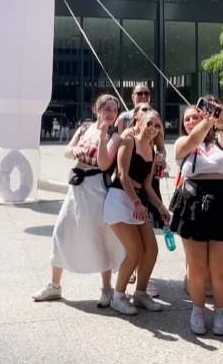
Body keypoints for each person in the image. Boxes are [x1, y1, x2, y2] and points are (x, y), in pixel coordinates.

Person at [32, 95, 125, 308]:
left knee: (100, 236)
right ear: (97, 109)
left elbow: (104, 164)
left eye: (115, 110)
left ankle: (106, 288)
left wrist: (103, 138)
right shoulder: (84, 127)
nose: (111, 113)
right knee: (62, 231)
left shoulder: (114, 135)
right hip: (77, 186)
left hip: (97, 187)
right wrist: (73, 150)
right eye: (107, 109)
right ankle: (55, 285)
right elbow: (67, 151)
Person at [170, 105, 223, 336]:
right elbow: (193, 141)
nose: (193, 120)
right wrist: (205, 122)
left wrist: (219, 122)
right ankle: (197, 310)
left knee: (220, 268)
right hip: (193, 202)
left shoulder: (221, 142)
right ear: (183, 124)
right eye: (188, 118)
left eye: (197, 116)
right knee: (196, 266)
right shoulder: (182, 144)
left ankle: (221, 310)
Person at [104, 110, 171, 315]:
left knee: (151, 250)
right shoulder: (129, 142)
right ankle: (118, 297)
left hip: (139, 202)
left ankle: (140, 294)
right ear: (139, 123)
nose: (153, 128)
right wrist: (136, 202)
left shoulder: (151, 149)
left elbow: (148, 187)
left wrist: (161, 208)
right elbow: (122, 175)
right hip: (120, 199)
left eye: (157, 126)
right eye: (150, 123)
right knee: (135, 252)